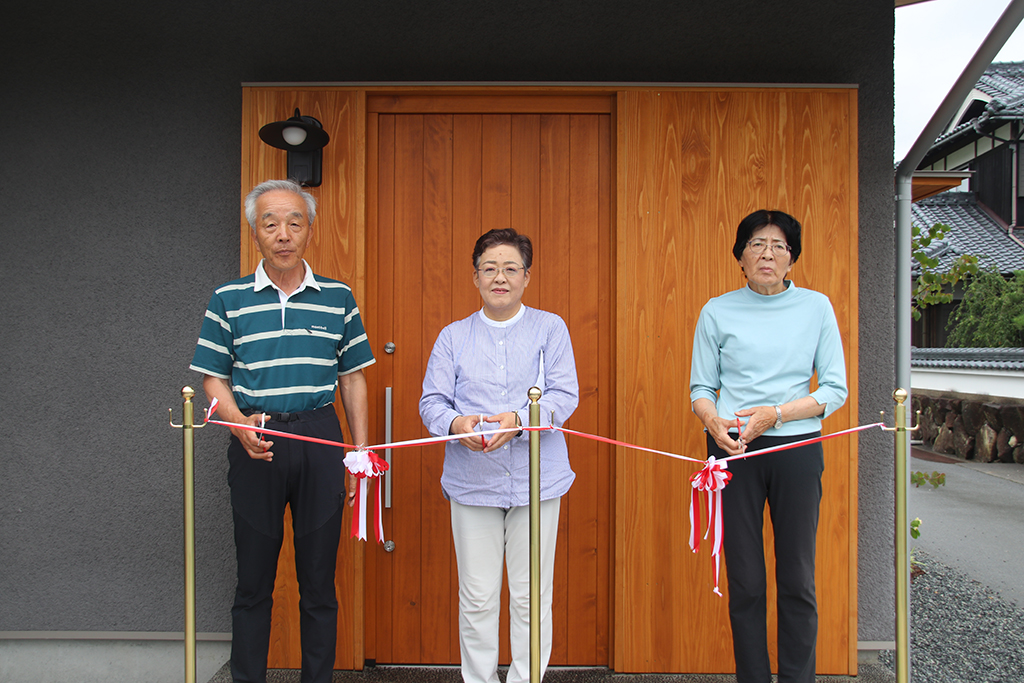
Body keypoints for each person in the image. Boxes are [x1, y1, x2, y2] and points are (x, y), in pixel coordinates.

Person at [189, 179, 374, 683]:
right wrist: (237, 424)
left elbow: (353, 377)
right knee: (253, 581)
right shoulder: (228, 298)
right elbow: (213, 376)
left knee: (318, 582)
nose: (284, 233)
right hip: (257, 439)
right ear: (255, 233)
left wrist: (359, 453)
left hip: (319, 439)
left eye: (295, 222)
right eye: (270, 223)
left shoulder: (338, 297)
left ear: (310, 230)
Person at [689, 210, 848, 683]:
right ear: (740, 255)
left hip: (797, 449)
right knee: (746, 580)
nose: (767, 254)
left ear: (792, 258)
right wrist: (712, 422)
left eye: (779, 246)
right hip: (733, 451)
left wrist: (776, 414)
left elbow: (833, 391)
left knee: (797, 577)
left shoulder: (816, 307)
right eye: (757, 244)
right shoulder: (716, 310)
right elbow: (702, 387)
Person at [419, 228, 579, 683]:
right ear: (475, 278)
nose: (500, 277)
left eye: (511, 268)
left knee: (531, 596)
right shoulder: (453, 337)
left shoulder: (551, 328)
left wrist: (520, 419)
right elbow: (432, 401)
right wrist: (454, 425)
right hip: (473, 483)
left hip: (538, 481)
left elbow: (564, 394)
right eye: (490, 268)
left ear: (527, 277)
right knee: (477, 596)